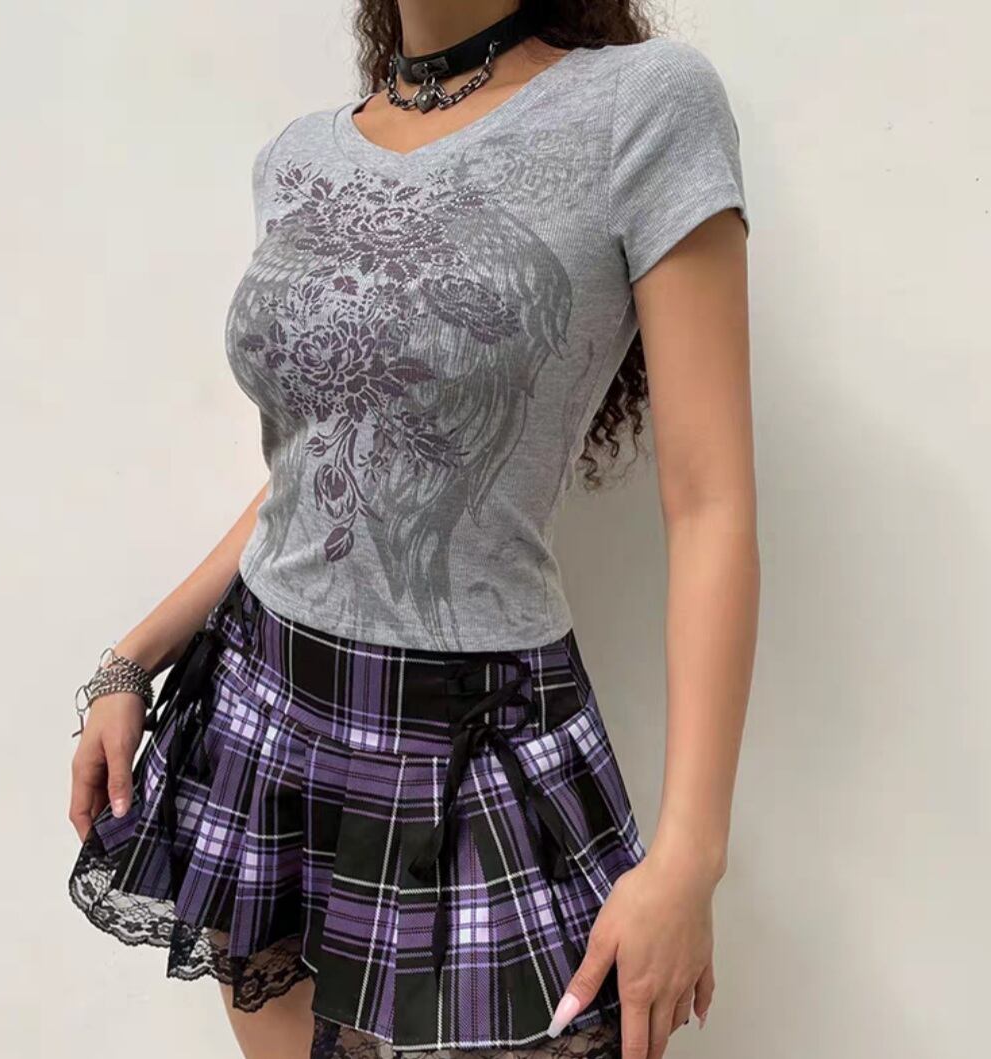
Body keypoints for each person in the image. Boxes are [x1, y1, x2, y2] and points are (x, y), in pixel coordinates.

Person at [67, 2, 759, 1058]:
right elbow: (313, 476)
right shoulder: (297, 156)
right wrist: (132, 659)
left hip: (469, 742)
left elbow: (711, 504)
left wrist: (690, 858)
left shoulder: (642, 106)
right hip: (260, 711)